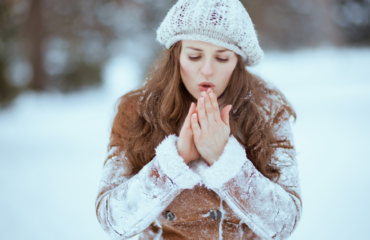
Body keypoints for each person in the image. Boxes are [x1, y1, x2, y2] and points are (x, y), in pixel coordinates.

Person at [95, 0, 302, 239]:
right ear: (177, 56)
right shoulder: (135, 110)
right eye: (194, 56)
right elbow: (112, 219)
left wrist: (224, 159)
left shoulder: (267, 110)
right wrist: (175, 161)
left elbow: (285, 222)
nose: (207, 70)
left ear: (238, 62)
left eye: (222, 58)